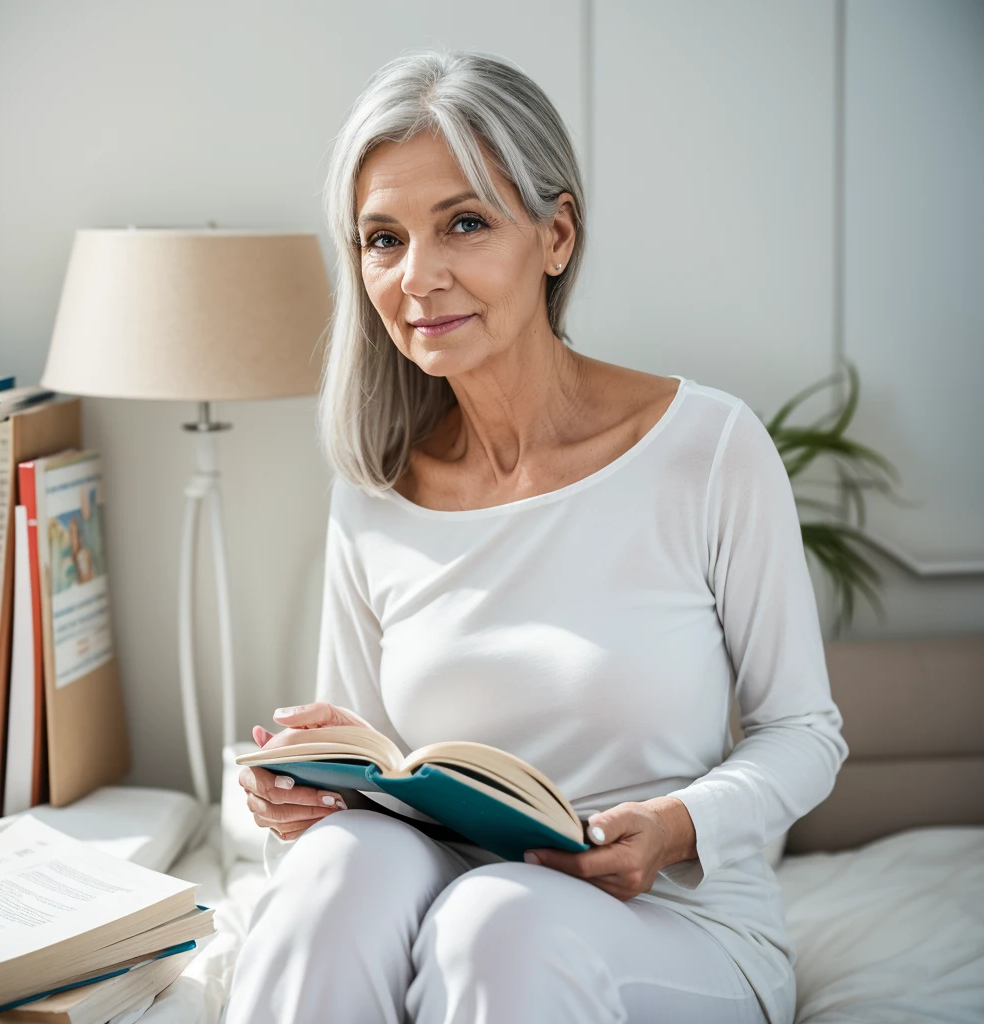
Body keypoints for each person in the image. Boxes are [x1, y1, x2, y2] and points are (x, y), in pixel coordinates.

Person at [225, 48, 848, 1024]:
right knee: (339, 867)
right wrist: (300, 798)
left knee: (495, 922)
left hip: (672, 919)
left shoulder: (708, 448)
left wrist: (678, 824)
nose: (417, 276)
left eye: (463, 224)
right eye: (381, 239)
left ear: (555, 234)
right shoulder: (376, 492)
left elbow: (803, 733)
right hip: (441, 889)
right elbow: (361, 756)